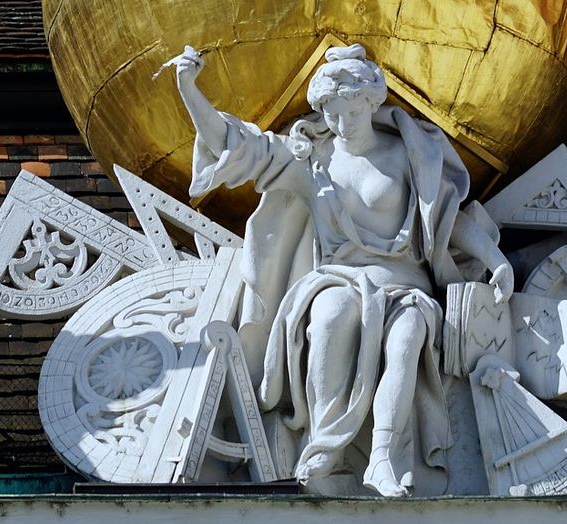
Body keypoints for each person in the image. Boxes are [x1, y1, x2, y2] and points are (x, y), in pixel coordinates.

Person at [170, 44, 512, 497]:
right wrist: (188, 89)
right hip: (337, 280)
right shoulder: (311, 161)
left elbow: (448, 219)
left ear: (371, 102)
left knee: (407, 336)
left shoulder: (410, 156)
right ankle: (324, 450)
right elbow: (236, 145)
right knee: (331, 317)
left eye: (351, 111)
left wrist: (496, 259)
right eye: (332, 113)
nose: (342, 124)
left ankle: (384, 460)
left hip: (404, 285)